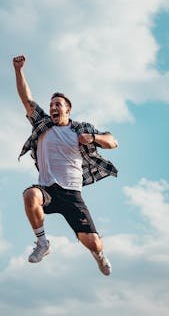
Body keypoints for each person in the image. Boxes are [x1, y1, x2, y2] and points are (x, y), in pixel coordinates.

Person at [13, 55, 118, 276]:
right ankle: (43, 243)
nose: (53, 107)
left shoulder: (79, 129)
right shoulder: (42, 123)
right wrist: (18, 70)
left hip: (72, 194)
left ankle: (99, 255)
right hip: (47, 189)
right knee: (30, 195)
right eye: (51, 104)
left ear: (68, 110)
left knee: (93, 242)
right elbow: (26, 99)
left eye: (57, 104)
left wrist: (93, 138)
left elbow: (112, 141)